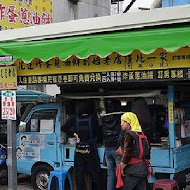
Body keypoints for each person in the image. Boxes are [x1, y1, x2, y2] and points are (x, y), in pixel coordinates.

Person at [62, 100, 102, 190]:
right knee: (96, 173)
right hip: (90, 150)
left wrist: (74, 134)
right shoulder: (92, 119)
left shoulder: (75, 119)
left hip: (79, 150)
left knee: (79, 174)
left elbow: (63, 128)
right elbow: (99, 134)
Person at [119, 112, 150, 190]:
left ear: (128, 122)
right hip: (143, 168)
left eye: (122, 121)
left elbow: (127, 153)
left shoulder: (129, 135)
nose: (121, 124)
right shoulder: (141, 134)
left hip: (133, 170)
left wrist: (121, 167)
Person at [101, 100, 123, 190]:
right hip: (117, 149)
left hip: (107, 149)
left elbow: (101, 133)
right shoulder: (120, 119)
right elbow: (122, 134)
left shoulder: (104, 119)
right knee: (120, 174)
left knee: (110, 174)